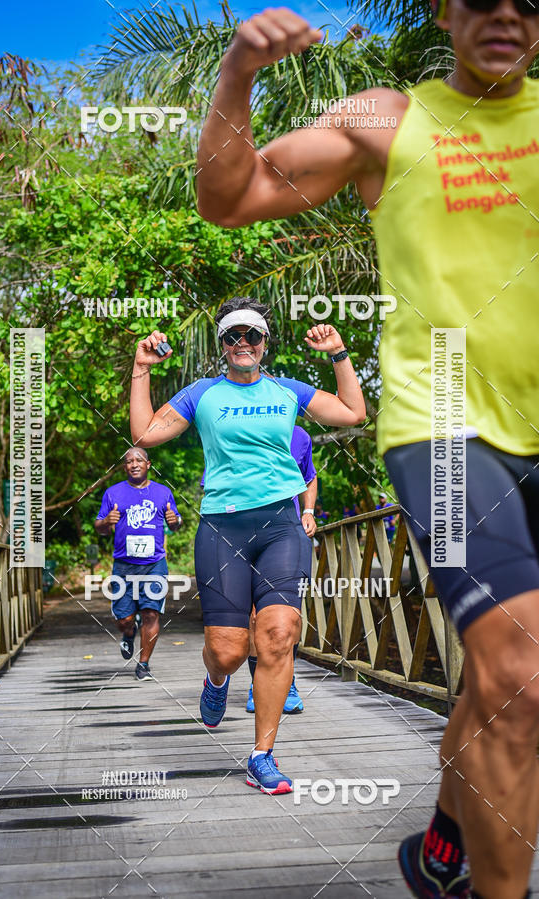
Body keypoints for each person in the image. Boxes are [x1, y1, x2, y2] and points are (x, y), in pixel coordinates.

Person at [195, 2, 539, 896]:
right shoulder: (388, 120)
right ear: (444, 9)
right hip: (450, 430)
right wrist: (239, 72)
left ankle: (443, 844)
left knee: (502, 688)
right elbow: (228, 199)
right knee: (522, 678)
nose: (507, 13)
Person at [130, 296, 365, 794]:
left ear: (264, 344)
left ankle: (262, 756)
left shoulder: (288, 391)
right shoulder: (201, 394)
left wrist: (339, 354)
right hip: (222, 527)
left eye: (252, 335)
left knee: (279, 634)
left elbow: (352, 412)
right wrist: (141, 369)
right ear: (222, 344)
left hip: (281, 524)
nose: (243, 344)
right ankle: (217, 682)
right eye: (233, 335)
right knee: (228, 651)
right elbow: (145, 433)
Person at [244, 424, 318, 715]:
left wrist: (308, 511)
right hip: (244, 533)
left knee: (289, 616)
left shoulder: (299, 436)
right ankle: (256, 685)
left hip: (287, 534)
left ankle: (287, 683)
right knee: (255, 615)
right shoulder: (238, 428)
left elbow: (309, 477)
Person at [95, 448, 182, 680]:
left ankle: (143, 664)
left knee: (151, 613)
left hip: (155, 564)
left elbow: (175, 523)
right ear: (125, 467)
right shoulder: (113, 493)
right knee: (123, 618)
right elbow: (99, 527)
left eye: (138, 460)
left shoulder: (163, 492)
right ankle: (128, 632)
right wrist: (106, 522)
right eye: (129, 461)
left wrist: (175, 521)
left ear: (148, 464)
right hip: (123, 565)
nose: (134, 464)